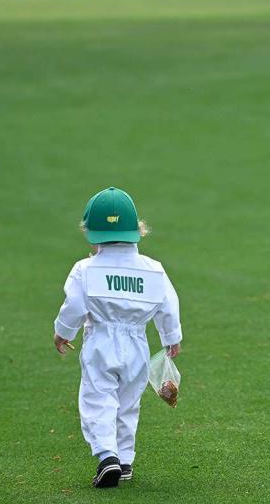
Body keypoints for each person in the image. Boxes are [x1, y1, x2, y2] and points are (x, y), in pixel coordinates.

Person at [53, 187, 183, 488]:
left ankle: (106, 455)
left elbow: (73, 306)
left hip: (101, 341)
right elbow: (169, 305)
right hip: (137, 343)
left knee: (97, 399)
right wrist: (170, 337)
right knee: (128, 402)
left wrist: (63, 332)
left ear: (91, 232)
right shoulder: (153, 269)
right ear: (137, 229)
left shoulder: (85, 269)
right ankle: (124, 459)